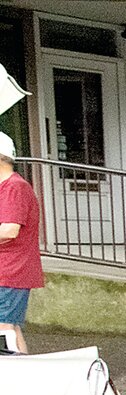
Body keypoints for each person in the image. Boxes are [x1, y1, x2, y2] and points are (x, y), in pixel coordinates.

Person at [0, 131, 42, 354]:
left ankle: (19, 380)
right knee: (9, 328)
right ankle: (25, 379)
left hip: (10, 271)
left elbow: (9, 229)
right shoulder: (8, 187)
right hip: (8, 270)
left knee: (4, 329)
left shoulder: (14, 188)